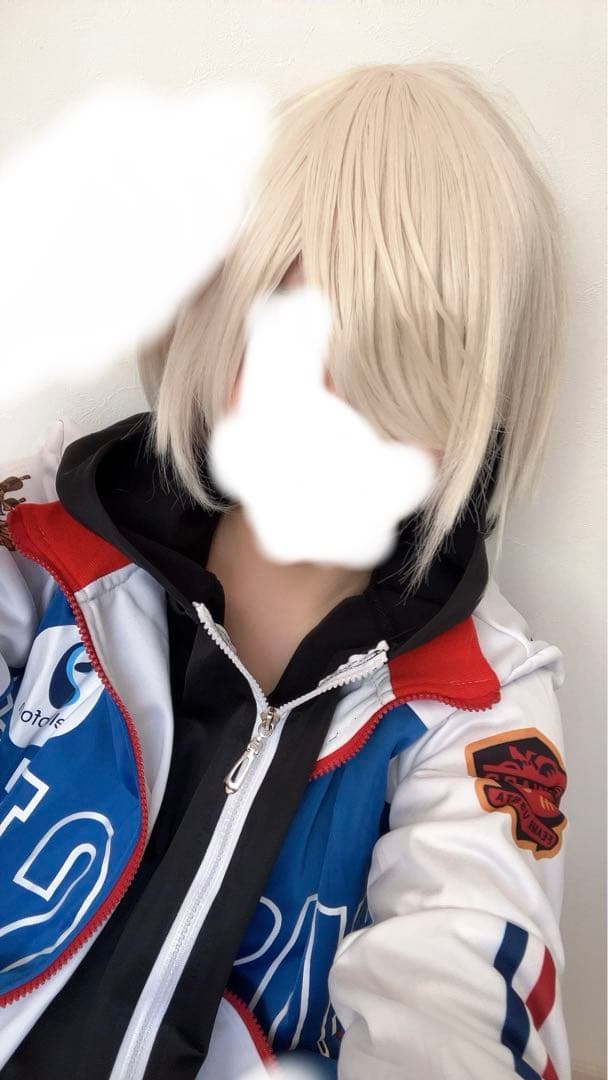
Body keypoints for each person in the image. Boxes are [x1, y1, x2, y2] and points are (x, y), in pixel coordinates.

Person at [0, 62, 570, 1079]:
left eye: (398, 368)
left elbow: (455, 987)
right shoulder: (42, 556)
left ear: (473, 410)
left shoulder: (475, 705)